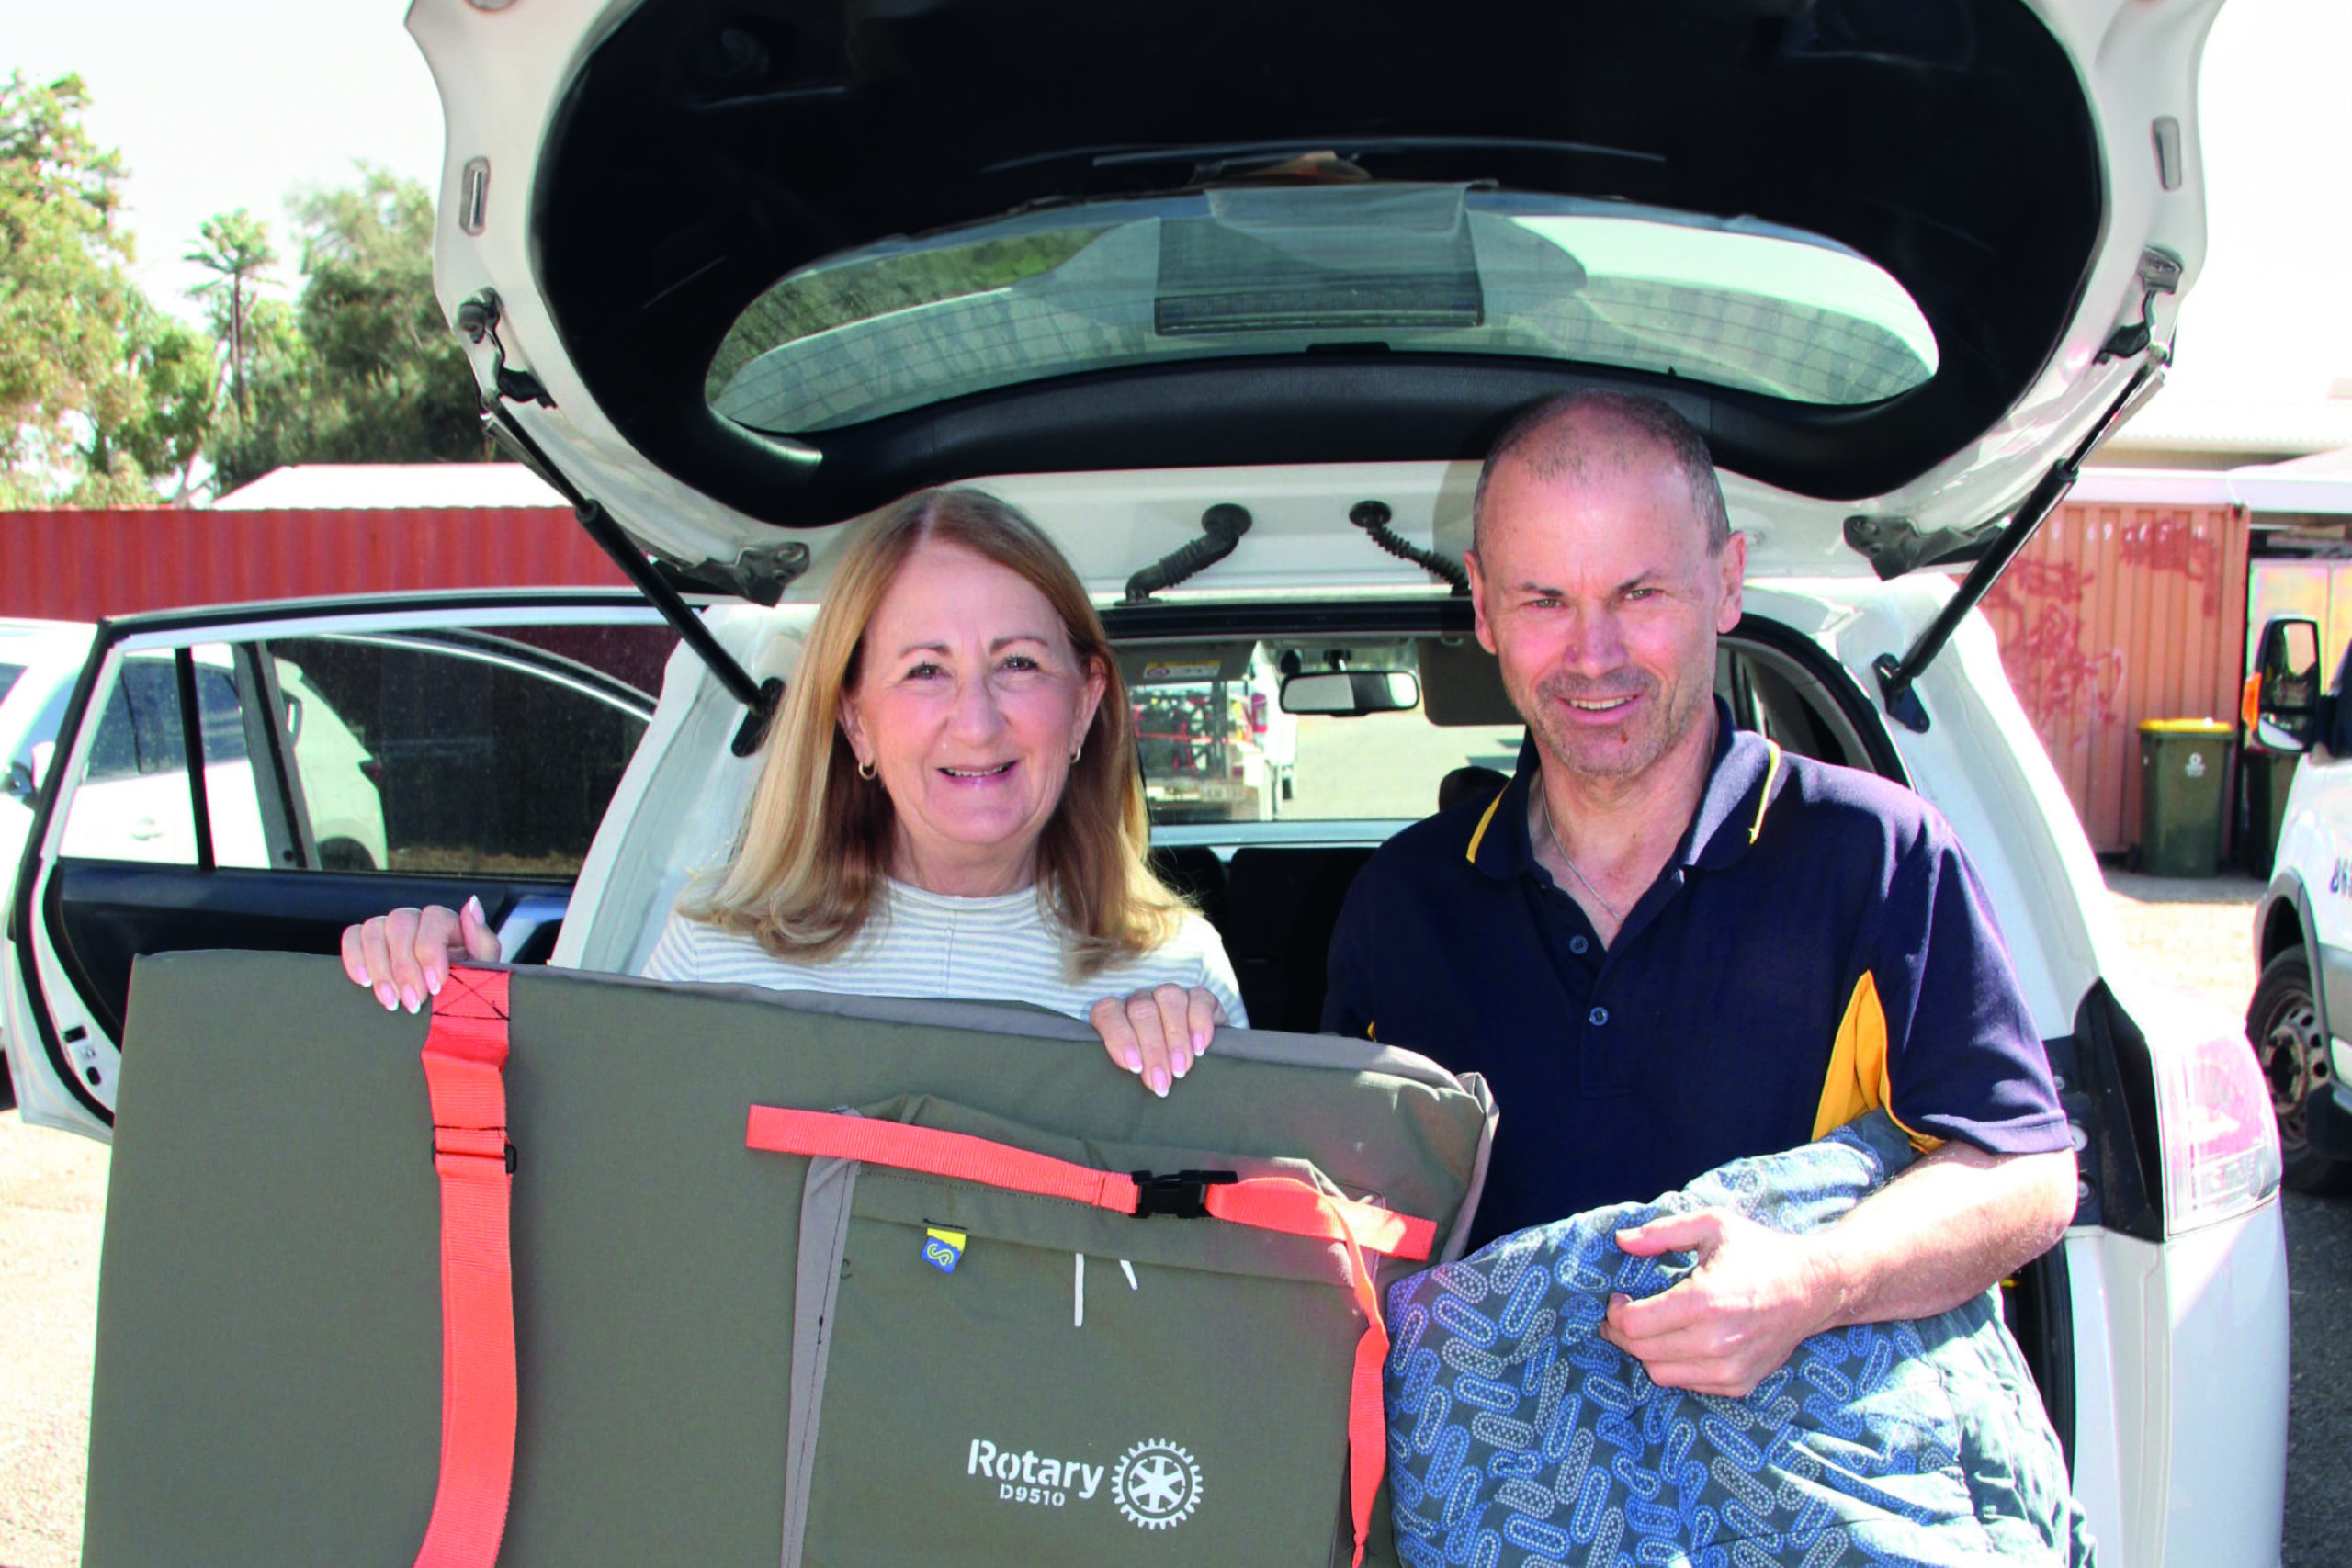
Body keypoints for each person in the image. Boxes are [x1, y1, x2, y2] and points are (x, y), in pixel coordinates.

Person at [1321, 389, 2078, 1398]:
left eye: (1639, 594)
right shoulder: (1402, 899)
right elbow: (1328, 1217)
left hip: (1786, 1503)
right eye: (1544, 599)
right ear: (1483, 607)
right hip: (1489, 1507)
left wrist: (1816, 1282)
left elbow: (2026, 1171)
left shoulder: (1873, 854)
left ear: (1726, 584)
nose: (1592, 656)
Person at [343, 487, 1239, 1097]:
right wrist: (457, 997)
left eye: (1017, 663)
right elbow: (597, 1191)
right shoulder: (715, 952)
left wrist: (1194, 1091)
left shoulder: (1176, 973)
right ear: (854, 721)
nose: (976, 720)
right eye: (925, 670)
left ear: (1085, 703)